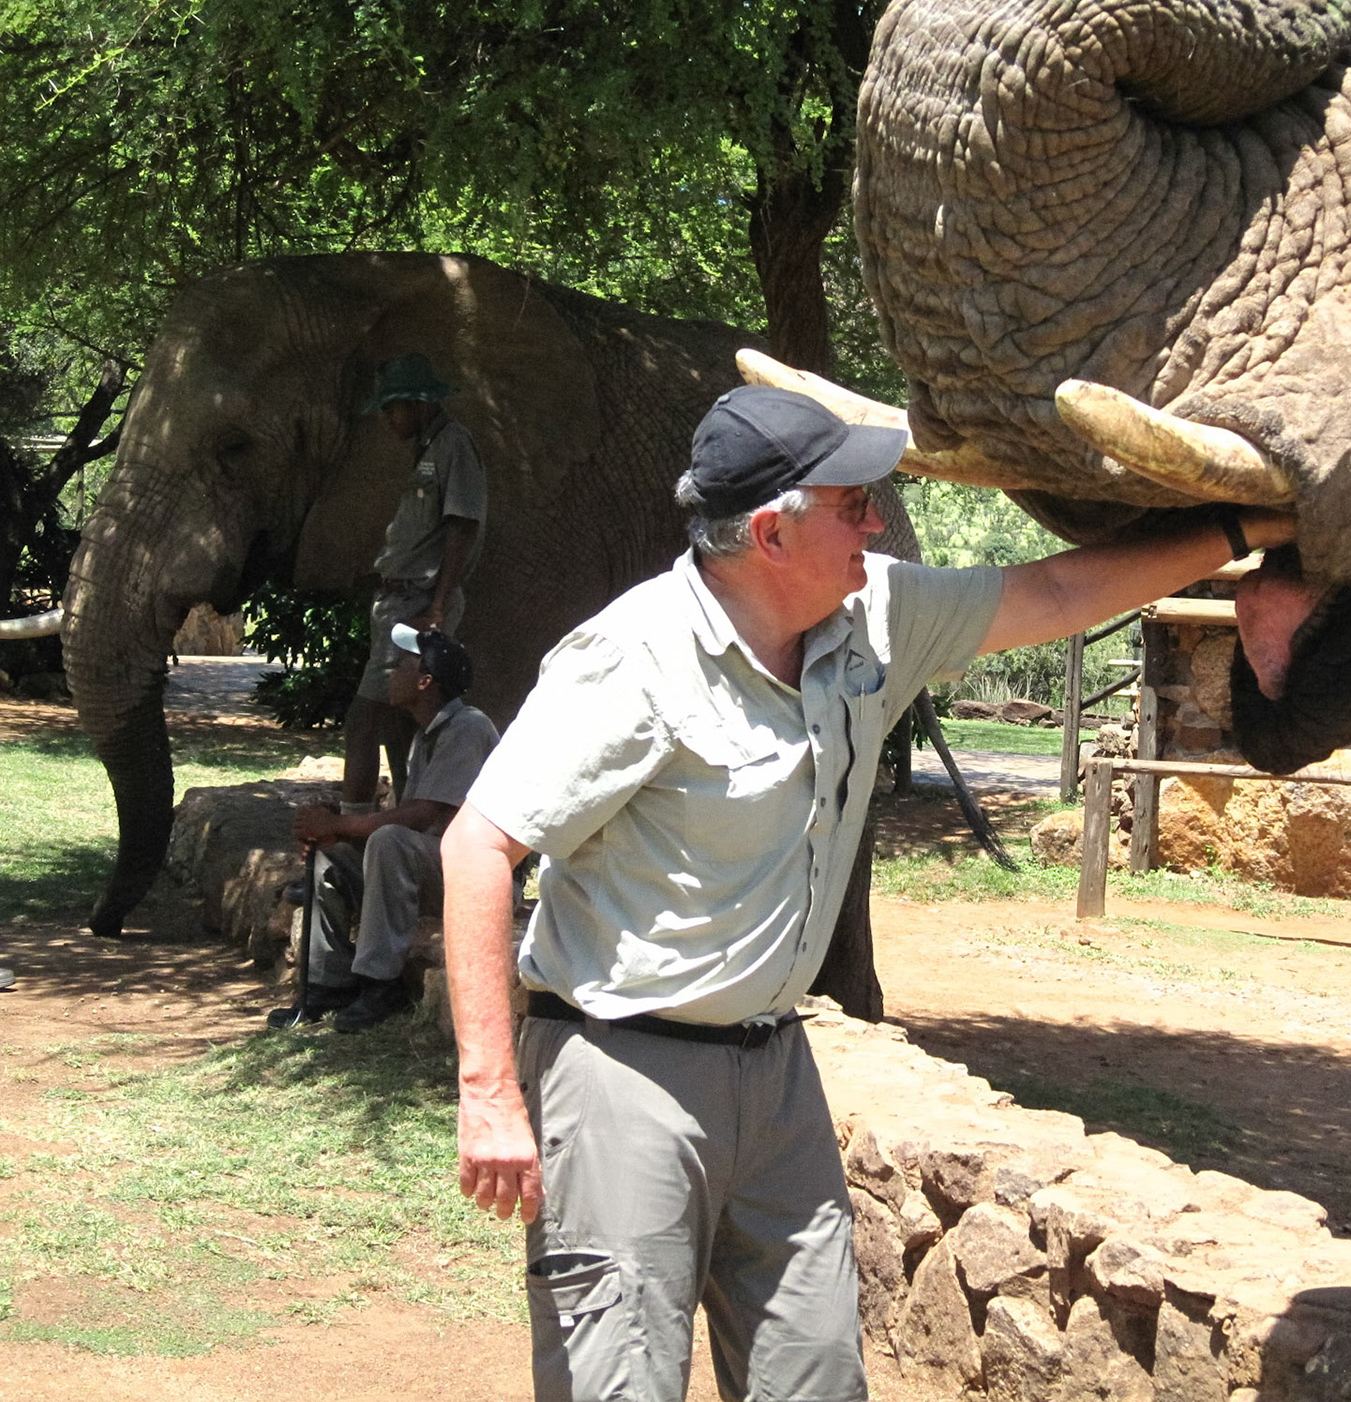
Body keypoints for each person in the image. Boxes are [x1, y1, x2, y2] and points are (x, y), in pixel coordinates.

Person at [439, 385, 1292, 1402]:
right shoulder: (633, 661)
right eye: (852, 503)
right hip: (623, 1077)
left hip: (778, 1074)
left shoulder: (876, 610)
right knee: (616, 1384)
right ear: (769, 533)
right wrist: (490, 1095)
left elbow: (1060, 596)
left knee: (815, 1380)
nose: (877, 522)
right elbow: (477, 847)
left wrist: (1242, 526)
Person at [273, 624, 498, 1034]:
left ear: (426, 681)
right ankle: (328, 983)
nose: (392, 671)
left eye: (404, 664)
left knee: (389, 839)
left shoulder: (468, 727)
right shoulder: (425, 735)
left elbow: (421, 816)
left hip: (474, 876)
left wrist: (339, 823)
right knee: (330, 857)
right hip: (432, 865)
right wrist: (334, 835)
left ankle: (381, 984)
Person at [343, 353, 487, 814]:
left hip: (417, 601)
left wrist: (439, 606)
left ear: (419, 403)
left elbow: (463, 525)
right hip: (398, 599)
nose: (387, 418)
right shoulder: (428, 447)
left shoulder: (453, 445)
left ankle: (350, 829)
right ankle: (405, 823)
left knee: (364, 718)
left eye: (392, 407)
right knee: (400, 722)